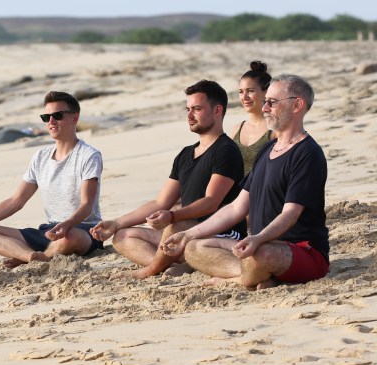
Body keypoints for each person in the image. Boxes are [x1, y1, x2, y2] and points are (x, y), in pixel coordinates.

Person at [161, 74, 328, 290]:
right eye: (265, 101)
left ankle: (237, 279)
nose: (265, 107)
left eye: (272, 102)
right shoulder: (267, 150)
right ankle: (260, 276)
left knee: (263, 254)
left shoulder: (307, 153)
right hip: (258, 246)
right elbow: (236, 208)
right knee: (193, 248)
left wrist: (258, 239)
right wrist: (188, 233)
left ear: (297, 105)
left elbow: (290, 214)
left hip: (300, 251)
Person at [90, 80, 246, 278]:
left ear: (217, 110)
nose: (189, 115)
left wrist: (172, 216)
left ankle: (152, 269)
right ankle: (181, 265)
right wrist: (116, 223)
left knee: (175, 226)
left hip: (221, 232)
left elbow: (211, 203)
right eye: (188, 109)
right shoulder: (185, 154)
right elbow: (161, 202)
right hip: (185, 233)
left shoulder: (226, 151)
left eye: (197, 109)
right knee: (122, 236)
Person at [0, 91, 103, 267]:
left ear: (74, 118)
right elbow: (16, 201)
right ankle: (32, 257)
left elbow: (86, 205)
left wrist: (67, 224)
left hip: (83, 230)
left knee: (70, 237)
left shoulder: (89, 155)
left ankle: (35, 257)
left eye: (57, 115)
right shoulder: (40, 157)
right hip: (49, 231)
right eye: (46, 117)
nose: (51, 121)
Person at [232, 61, 275, 175]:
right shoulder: (236, 130)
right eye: (241, 92)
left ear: (266, 92)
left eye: (250, 91)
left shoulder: (276, 130)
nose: (244, 97)